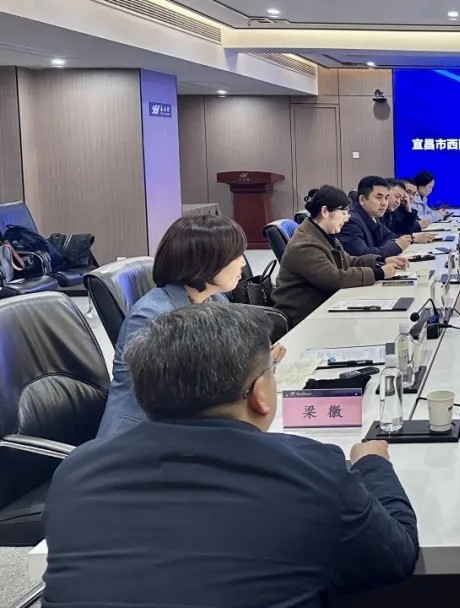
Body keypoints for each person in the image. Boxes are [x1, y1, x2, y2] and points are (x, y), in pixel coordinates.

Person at [44, 304, 419, 606]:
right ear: (260, 395)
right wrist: (373, 463)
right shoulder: (310, 470)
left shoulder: (77, 471)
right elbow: (396, 556)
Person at [96, 215, 286, 439]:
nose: (243, 263)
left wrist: (260, 363)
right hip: (139, 440)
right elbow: (191, 390)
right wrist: (257, 368)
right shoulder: (154, 318)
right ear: (206, 263)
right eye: (235, 256)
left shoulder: (213, 299)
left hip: (186, 429)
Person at [273, 185, 408, 325]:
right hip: (302, 317)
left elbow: (348, 261)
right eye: (344, 213)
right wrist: (379, 273)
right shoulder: (305, 244)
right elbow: (333, 278)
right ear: (325, 211)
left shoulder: (325, 233)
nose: (347, 218)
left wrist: (381, 260)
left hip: (324, 305)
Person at [338, 176, 413, 258]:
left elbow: (390, 236)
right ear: (362, 200)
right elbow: (364, 255)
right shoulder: (350, 221)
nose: (384, 203)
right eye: (379, 198)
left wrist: (384, 248)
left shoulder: (374, 215)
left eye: (386, 198)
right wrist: (396, 246)